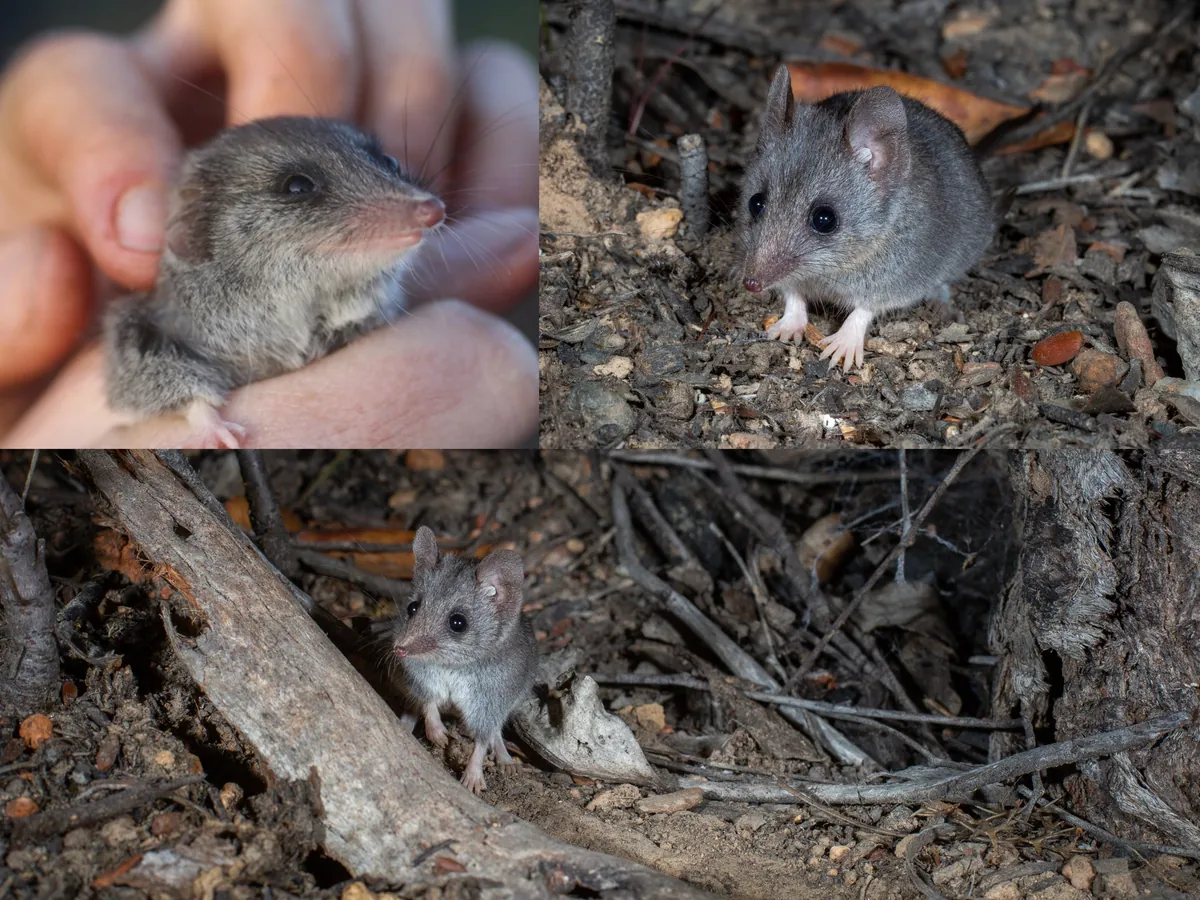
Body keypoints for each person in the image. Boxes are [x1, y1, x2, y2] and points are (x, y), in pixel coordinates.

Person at [0, 0, 538, 447]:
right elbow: (138, 370)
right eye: (298, 188)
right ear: (194, 228)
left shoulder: (394, 289)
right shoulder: (153, 317)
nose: (423, 207)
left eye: (386, 165)